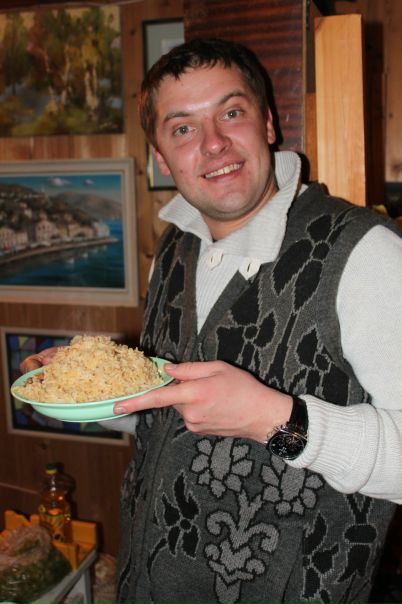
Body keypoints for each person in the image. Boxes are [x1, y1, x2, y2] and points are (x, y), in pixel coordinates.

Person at [23, 39, 402, 604]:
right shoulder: (174, 247)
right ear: (161, 158)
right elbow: (175, 416)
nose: (213, 143)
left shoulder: (367, 253)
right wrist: (90, 390)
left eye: (231, 112)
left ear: (267, 123)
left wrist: (275, 419)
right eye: (183, 128)